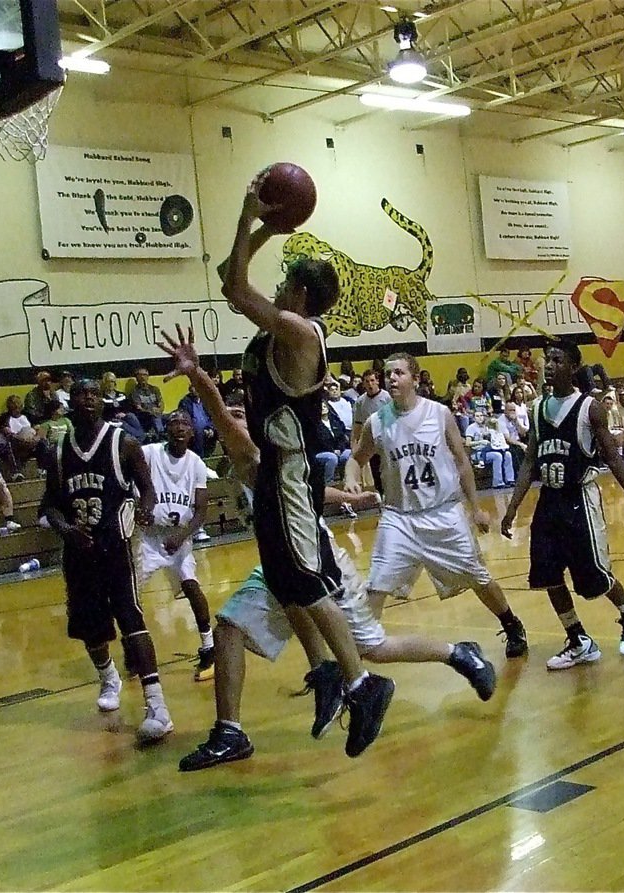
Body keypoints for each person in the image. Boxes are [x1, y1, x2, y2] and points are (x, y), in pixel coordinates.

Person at [157, 329, 495, 772]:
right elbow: (304, 484)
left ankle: (456, 652)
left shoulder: (256, 453)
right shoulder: (254, 456)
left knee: (370, 646)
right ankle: (231, 731)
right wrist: (349, 498)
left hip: (317, 557)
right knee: (228, 628)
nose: (238, 419)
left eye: (244, 415)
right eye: (238, 415)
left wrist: (199, 378)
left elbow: (223, 419)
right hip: (279, 564)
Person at [220, 170, 395, 758]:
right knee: (283, 576)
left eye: (285, 280)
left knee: (306, 580)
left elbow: (237, 291)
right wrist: (269, 228)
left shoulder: (297, 331)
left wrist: (251, 218)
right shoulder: (288, 322)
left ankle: (364, 683)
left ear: (296, 293)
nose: (277, 285)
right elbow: (230, 276)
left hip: (292, 473)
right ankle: (327, 674)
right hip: (272, 470)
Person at [345, 353, 529, 659]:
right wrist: (351, 478)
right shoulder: (377, 422)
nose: (392, 378)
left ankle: (511, 624)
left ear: (415, 380)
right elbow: (356, 458)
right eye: (388, 373)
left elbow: (461, 460)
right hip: (399, 517)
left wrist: (476, 507)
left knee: (478, 577)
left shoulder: (439, 413)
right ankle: (352, 660)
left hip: (443, 512)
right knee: (376, 585)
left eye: (399, 373)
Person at [501, 342, 624, 670]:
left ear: (572, 367)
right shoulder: (538, 407)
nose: (549, 366)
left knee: (594, 574)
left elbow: (612, 456)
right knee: (548, 574)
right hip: (549, 501)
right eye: (547, 361)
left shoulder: (589, 407)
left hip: (580, 499)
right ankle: (578, 638)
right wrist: (512, 507)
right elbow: (529, 461)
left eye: (557, 360)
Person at [40, 379, 170, 743]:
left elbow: (147, 491)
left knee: (132, 621)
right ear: (71, 402)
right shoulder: (58, 450)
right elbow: (49, 505)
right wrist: (67, 530)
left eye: (94, 393)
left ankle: (157, 706)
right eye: (81, 394)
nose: (87, 399)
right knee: (89, 627)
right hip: (79, 555)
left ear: (102, 401)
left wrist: (142, 513)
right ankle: (108, 675)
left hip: (116, 549)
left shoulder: (123, 443)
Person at [135, 412, 216, 682]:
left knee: (191, 586)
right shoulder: (149, 453)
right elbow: (126, 465)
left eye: (185, 424)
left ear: (192, 433)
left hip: (178, 538)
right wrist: (136, 504)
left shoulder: (196, 464)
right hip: (148, 538)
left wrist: (182, 536)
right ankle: (132, 647)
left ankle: (208, 648)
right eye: (174, 423)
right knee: (130, 597)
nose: (180, 428)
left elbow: (201, 511)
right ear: (165, 429)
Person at [352, 370, 391, 494]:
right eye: (367, 381)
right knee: (376, 470)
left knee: (389, 469)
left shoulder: (387, 398)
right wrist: (354, 442)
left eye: (372, 380)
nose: (370, 384)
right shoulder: (360, 402)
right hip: (371, 441)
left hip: (387, 439)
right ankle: (381, 495)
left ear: (377, 381)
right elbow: (357, 423)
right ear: (363, 384)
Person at [464, 409, 515, 489]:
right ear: (474, 418)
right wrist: (481, 442)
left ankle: (510, 480)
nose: (480, 418)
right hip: (479, 452)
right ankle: (498, 482)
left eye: (481, 416)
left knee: (507, 454)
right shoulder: (471, 428)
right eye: (477, 416)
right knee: (497, 456)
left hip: (492, 448)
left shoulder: (487, 426)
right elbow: (467, 443)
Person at [0, 396, 41, 481]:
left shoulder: (27, 415)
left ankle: (42, 468)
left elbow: (37, 428)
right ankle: (15, 472)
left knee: (42, 442)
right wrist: (22, 439)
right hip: (14, 442)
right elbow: (7, 433)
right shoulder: (4, 418)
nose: (17, 410)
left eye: (18, 408)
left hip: (30, 441)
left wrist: (35, 438)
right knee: (9, 444)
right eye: (14, 408)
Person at [314, 392, 351, 483]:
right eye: (321, 407)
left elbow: (342, 437)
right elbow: (319, 442)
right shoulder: (315, 425)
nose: (323, 408)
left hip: (338, 449)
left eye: (325, 406)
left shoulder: (335, 421)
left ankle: (346, 480)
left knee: (348, 454)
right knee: (332, 458)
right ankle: (328, 483)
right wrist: (332, 450)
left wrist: (340, 449)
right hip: (322, 451)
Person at [128, 367, 165, 441]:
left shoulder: (155, 389)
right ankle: (162, 437)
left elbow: (161, 403)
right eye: (140, 375)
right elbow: (139, 408)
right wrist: (152, 411)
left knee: (175, 415)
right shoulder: (134, 392)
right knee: (155, 417)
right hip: (144, 416)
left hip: (158, 414)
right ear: (136, 377)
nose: (142, 377)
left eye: (145, 375)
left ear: (148, 377)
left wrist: (159, 410)